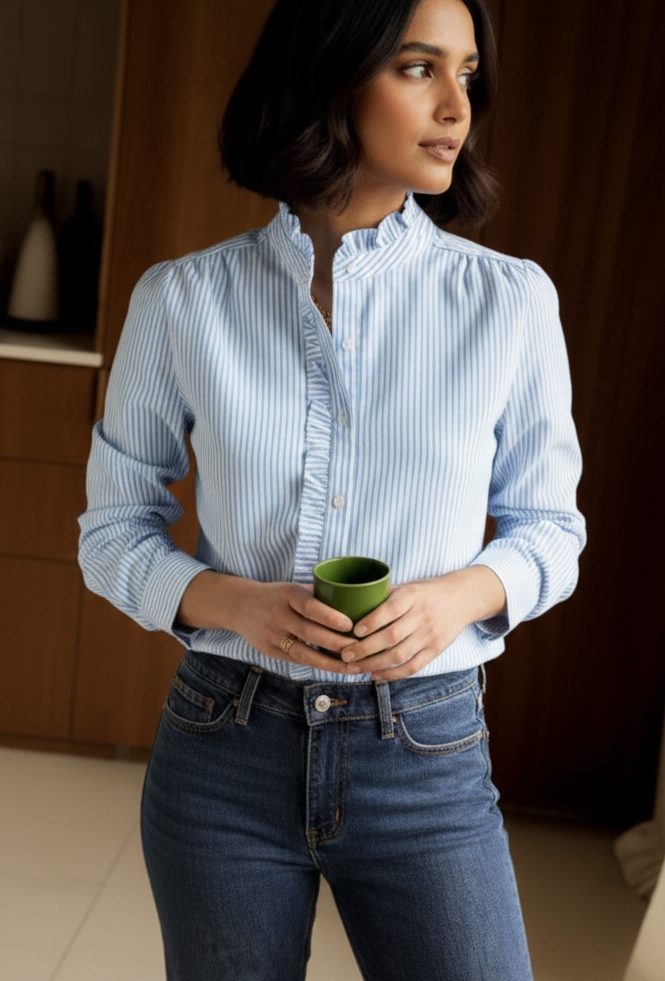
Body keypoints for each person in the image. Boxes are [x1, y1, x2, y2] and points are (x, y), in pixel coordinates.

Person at [78, 0, 585, 977]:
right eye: (416, 69)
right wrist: (225, 601)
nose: (454, 107)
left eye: (465, 73)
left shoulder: (508, 302)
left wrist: (452, 600)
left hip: (426, 755)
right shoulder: (183, 301)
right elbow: (112, 529)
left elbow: (547, 530)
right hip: (222, 746)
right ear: (329, 75)